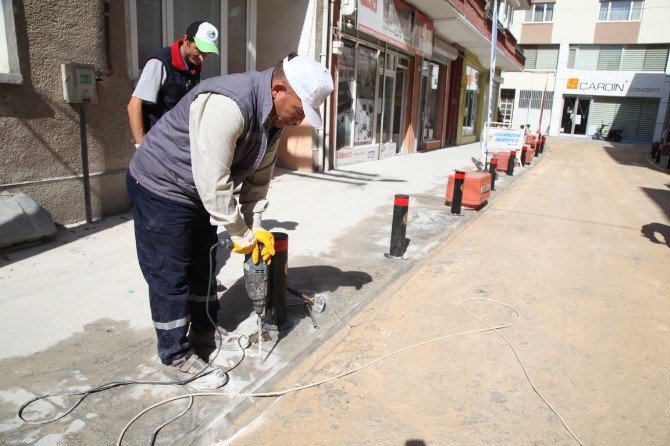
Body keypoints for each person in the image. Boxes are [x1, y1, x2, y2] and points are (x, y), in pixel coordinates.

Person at [126, 54, 334, 390]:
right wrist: (240, 234)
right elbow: (214, 183)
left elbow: (256, 181)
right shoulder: (229, 103)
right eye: (299, 110)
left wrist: (254, 227)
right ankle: (175, 355)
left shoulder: (274, 121)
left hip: (196, 191)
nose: (299, 120)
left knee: (203, 264)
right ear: (279, 89)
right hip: (160, 185)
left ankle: (205, 332)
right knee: (170, 272)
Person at [127, 21, 220, 148]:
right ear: (186, 40)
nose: (202, 58)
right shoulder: (160, 62)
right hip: (156, 143)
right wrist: (140, 146)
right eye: (199, 50)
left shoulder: (194, 64)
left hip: (178, 142)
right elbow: (134, 105)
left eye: (207, 53)